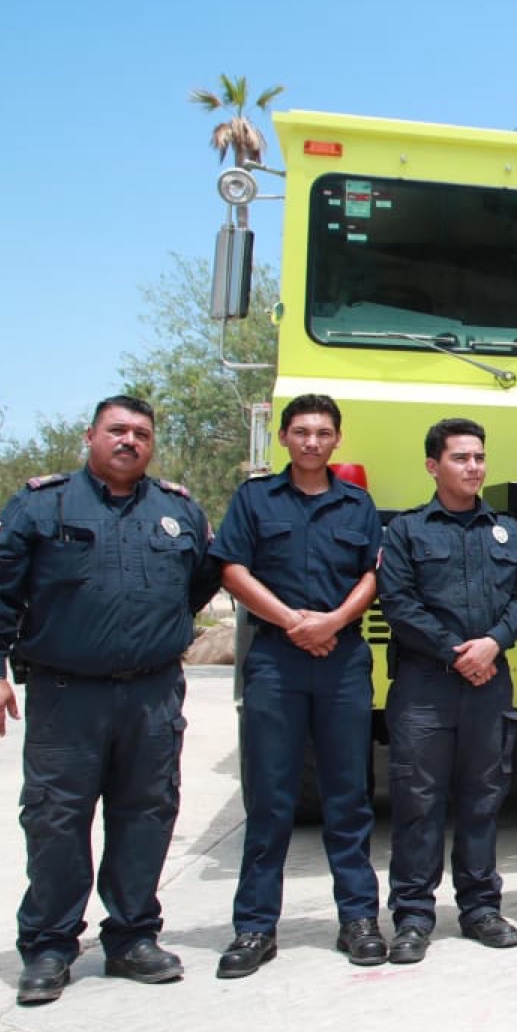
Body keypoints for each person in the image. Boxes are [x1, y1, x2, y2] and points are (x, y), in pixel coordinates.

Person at [0, 395, 219, 1005]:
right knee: (56, 819)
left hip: (153, 695)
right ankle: (50, 946)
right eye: (117, 430)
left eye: (142, 433)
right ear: (91, 436)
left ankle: (132, 937)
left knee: (147, 813)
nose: (129, 441)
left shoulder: (179, 512)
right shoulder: (40, 504)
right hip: (65, 694)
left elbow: (201, 581)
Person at [208, 394, 385, 979]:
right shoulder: (255, 500)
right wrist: (293, 622)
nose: (312, 442)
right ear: (283, 437)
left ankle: (358, 920)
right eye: (302, 432)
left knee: (348, 798)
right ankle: (255, 928)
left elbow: (371, 575)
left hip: (342, 659)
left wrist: (331, 623)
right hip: (277, 661)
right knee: (271, 798)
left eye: (323, 433)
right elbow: (233, 569)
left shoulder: (357, 504)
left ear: (337, 440)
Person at [375, 418, 517, 963]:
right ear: (433, 466)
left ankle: (480, 908)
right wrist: (455, 651)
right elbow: (398, 604)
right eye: (461, 458)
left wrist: (491, 644)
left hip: (490, 683)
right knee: (418, 802)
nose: (474, 467)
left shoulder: (507, 532)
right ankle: (414, 915)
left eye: (479, 458)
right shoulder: (406, 531)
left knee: (482, 799)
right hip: (425, 687)